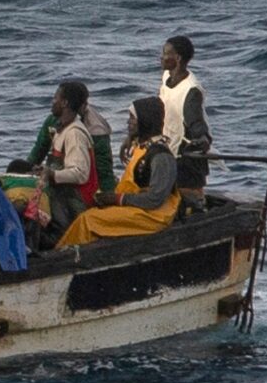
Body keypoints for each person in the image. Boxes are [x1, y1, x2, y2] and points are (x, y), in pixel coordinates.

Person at [57, 95, 181, 245]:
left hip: (154, 215)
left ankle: (68, 254)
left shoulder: (161, 157)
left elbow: (154, 199)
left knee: (89, 220)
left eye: (133, 118)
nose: (128, 122)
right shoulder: (142, 146)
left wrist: (117, 199)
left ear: (145, 121)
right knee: (90, 211)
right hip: (138, 206)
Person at [33, 80, 99, 244]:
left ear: (65, 103)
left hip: (75, 201)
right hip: (65, 194)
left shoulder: (74, 134)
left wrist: (52, 174)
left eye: (55, 98)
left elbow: (80, 174)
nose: (52, 101)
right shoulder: (62, 129)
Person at [159, 35, 211, 201]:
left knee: (189, 197)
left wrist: (202, 138)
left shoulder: (191, 90)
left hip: (186, 155)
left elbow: (195, 121)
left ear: (178, 58)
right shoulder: (167, 77)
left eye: (166, 53)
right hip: (168, 147)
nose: (161, 57)